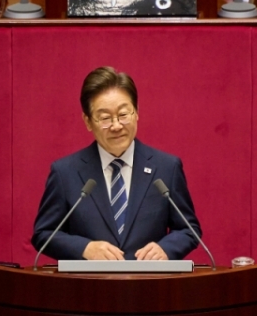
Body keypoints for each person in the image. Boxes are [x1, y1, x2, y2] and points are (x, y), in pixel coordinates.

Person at [32, 66, 201, 261]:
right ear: (87, 121)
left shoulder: (166, 168)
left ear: (136, 113)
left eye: (123, 114)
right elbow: (43, 234)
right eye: (105, 118)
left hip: (149, 279)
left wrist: (166, 249)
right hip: (88, 280)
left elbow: (188, 229)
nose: (116, 126)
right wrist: (84, 248)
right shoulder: (65, 173)